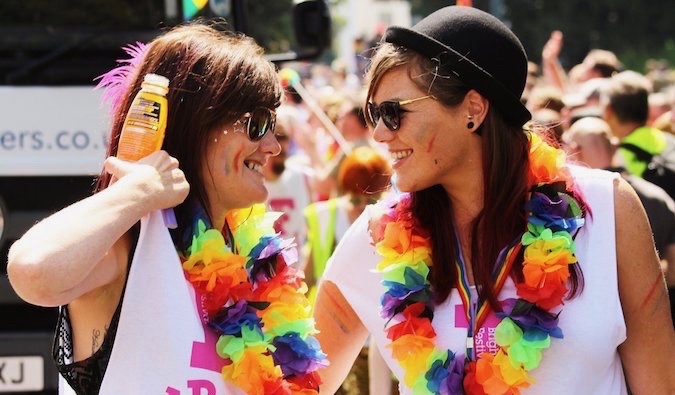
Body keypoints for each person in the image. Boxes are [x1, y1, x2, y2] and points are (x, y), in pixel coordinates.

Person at [313, 6, 674, 395]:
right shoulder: (375, 239)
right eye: (373, 113)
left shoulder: (607, 209)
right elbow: (298, 383)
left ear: (473, 109)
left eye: (393, 113)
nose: (380, 134)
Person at [7, 22, 326, 395]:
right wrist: (135, 192)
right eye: (256, 124)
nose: (272, 145)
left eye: (272, 124)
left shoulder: (256, 258)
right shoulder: (134, 241)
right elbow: (32, 272)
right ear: (195, 124)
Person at [564, 116, 675, 325]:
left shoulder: (565, 205)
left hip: (596, 329)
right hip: (653, 321)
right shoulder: (656, 195)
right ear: (614, 146)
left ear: (574, 148)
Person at [304, 145, 393, 395]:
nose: (362, 207)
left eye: (371, 199)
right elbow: (307, 276)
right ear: (345, 192)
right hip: (332, 340)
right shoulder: (325, 217)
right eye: (356, 199)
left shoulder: (393, 221)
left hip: (377, 343)